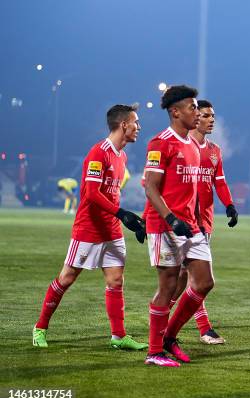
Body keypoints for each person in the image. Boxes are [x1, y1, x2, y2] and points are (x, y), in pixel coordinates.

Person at [33, 104, 147, 351]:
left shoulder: (122, 155)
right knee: (66, 278)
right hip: (89, 229)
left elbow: (111, 194)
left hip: (112, 230)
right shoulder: (99, 152)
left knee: (116, 281)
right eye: (135, 122)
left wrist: (130, 220)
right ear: (123, 124)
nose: (139, 127)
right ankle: (40, 327)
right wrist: (121, 213)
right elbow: (92, 194)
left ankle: (118, 336)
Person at [142, 85, 217, 367]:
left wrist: (194, 221)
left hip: (191, 227)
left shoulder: (194, 146)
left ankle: (169, 337)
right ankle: (154, 352)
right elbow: (150, 187)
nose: (197, 113)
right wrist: (171, 218)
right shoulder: (161, 143)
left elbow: (192, 192)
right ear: (175, 112)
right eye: (192, 108)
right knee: (168, 286)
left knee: (205, 282)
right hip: (164, 226)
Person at [168, 99, 238, 345]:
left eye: (213, 116)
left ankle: (166, 319)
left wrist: (229, 204)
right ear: (196, 117)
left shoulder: (214, 150)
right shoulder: (181, 147)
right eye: (207, 115)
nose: (212, 120)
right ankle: (201, 328)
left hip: (203, 222)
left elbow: (219, 181)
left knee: (188, 278)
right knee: (190, 278)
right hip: (180, 222)